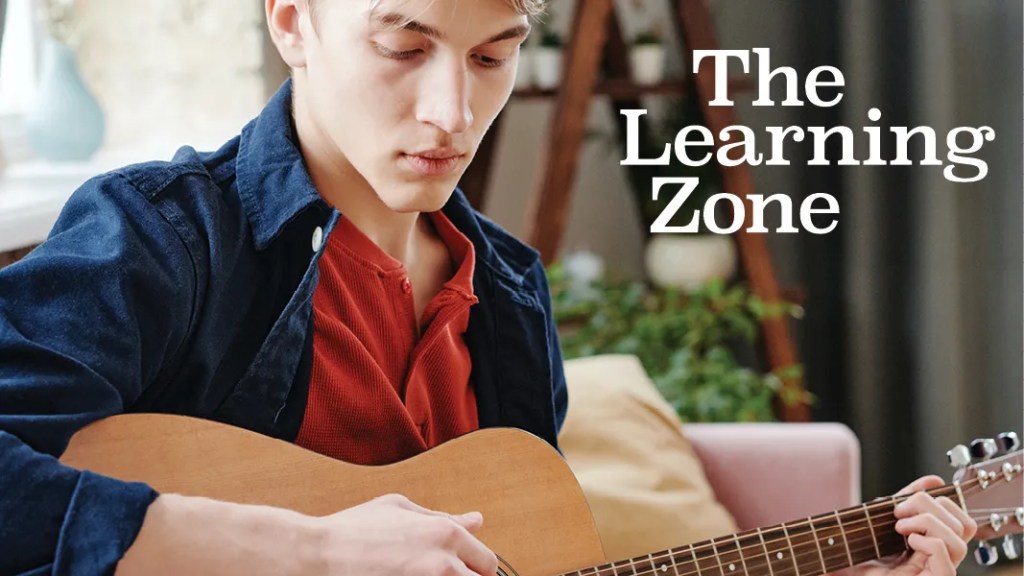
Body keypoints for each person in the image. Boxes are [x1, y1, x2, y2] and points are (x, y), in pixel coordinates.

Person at [0, 0, 976, 575]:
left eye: (492, 55)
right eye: (403, 46)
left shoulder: (506, 292)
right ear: (293, 20)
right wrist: (312, 551)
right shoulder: (161, 240)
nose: (452, 113)